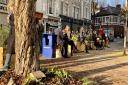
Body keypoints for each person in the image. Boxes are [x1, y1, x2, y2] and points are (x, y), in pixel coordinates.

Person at [0, 0, 15, 71]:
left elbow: (13, 23)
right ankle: (6, 65)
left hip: (14, 32)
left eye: (11, 7)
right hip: (11, 33)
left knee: (10, 48)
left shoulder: (14, 15)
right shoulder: (11, 14)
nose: (11, 8)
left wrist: (9, 20)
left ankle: (6, 65)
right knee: (9, 48)